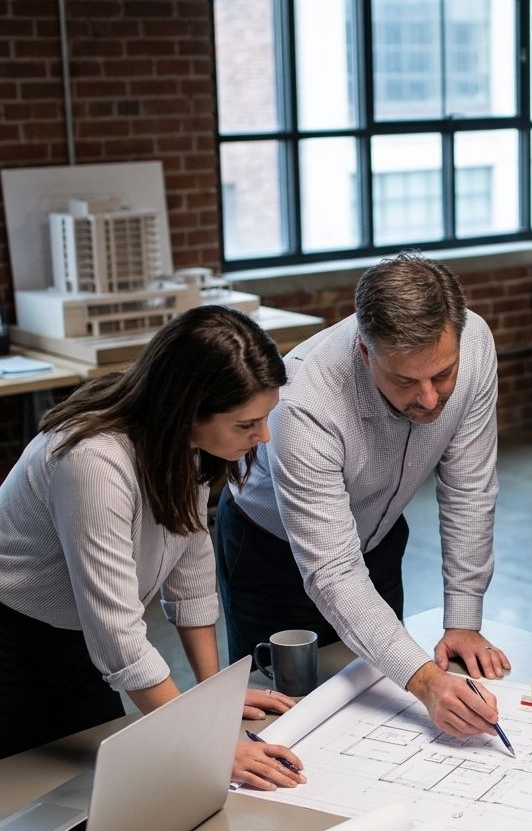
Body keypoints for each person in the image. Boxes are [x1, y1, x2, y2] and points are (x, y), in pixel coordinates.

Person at [0, 306, 304, 789]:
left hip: (79, 646)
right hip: (14, 650)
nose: (262, 437)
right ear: (190, 408)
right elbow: (118, 636)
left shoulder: (181, 442)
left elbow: (192, 576)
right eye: (246, 424)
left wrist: (213, 698)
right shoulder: (92, 462)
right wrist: (205, 738)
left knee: (93, 797)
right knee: (22, 804)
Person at [216, 253, 509, 740]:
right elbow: (332, 571)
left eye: (442, 375)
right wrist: (429, 682)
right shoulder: (305, 400)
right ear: (365, 351)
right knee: (281, 722)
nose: (431, 398)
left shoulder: (473, 342)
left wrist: (462, 619)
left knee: (379, 703)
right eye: (405, 381)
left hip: (379, 533)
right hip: (271, 553)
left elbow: (469, 486)